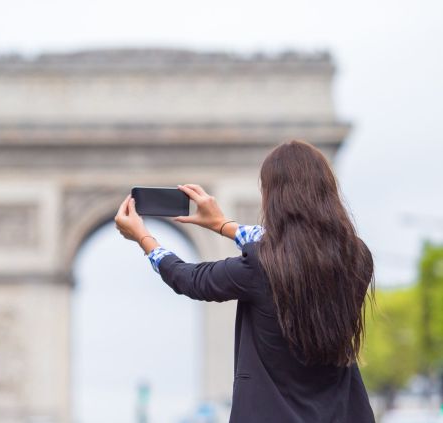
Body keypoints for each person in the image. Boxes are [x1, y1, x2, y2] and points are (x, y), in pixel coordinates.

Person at [114, 140, 376, 423]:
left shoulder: (259, 267)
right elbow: (297, 247)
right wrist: (222, 225)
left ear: (273, 198)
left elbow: (188, 278)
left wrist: (145, 239)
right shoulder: (358, 257)